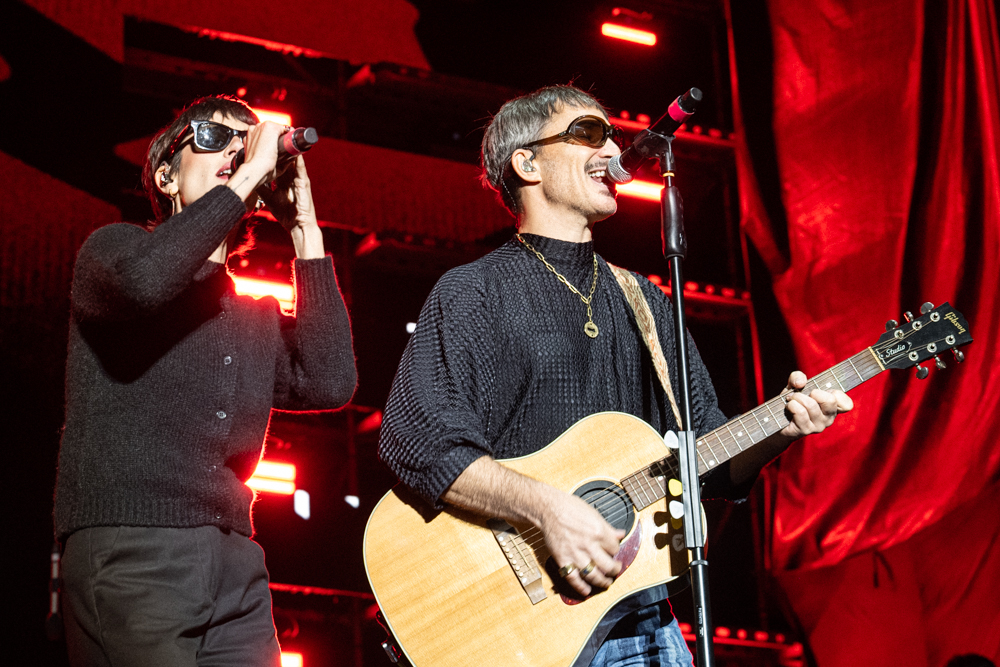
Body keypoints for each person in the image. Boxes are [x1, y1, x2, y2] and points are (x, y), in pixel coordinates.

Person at [377, 84, 853, 666]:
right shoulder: (474, 292)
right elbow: (419, 440)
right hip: (521, 633)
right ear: (526, 163)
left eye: (612, 136)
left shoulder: (645, 302)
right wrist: (547, 510)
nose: (610, 150)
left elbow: (708, 452)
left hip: (644, 623)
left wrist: (781, 428)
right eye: (588, 134)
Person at [53, 95, 357, 666]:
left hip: (236, 565)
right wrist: (244, 179)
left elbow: (329, 381)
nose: (237, 152)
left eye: (246, 144)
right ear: (166, 177)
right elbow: (146, 282)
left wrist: (305, 231)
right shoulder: (112, 251)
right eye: (213, 139)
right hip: (134, 549)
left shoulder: (251, 315)